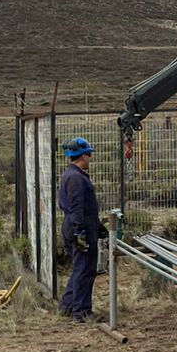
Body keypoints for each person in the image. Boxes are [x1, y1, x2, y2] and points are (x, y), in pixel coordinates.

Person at [57, 136, 107, 321]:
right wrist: (80, 233)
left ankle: (67, 307)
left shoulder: (71, 175)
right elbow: (77, 207)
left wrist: (97, 226)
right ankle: (82, 312)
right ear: (83, 156)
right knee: (84, 270)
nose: (90, 158)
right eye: (89, 155)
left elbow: (82, 207)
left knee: (79, 269)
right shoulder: (76, 178)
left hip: (78, 226)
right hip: (79, 228)